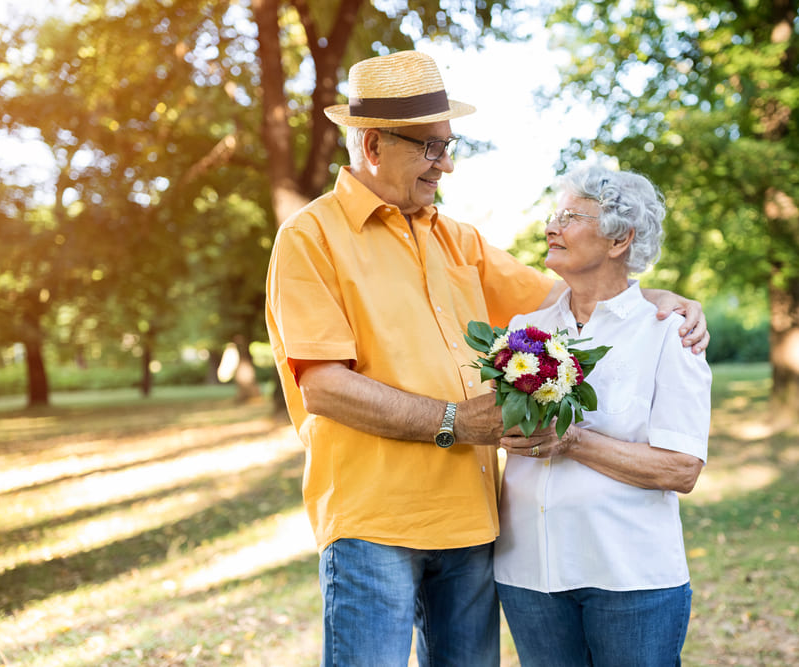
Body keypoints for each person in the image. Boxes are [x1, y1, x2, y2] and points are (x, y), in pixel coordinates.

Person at [265, 50, 709, 666]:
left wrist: (658, 297)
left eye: (450, 145)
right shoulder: (309, 239)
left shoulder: (459, 239)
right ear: (372, 145)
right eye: (429, 148)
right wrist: (455, 420)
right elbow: (325, 387)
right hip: (374, 524)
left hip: (472, 524)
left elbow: (573, 292)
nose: (445, 164)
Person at [493, 164, 712, 667]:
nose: (552, 226)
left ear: (620, 241)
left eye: (570, 216)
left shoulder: (668, 332)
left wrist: (573, 441)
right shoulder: (524, 332)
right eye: (554, 214)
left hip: (629, 576)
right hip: (529, 574)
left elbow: (681, 468)